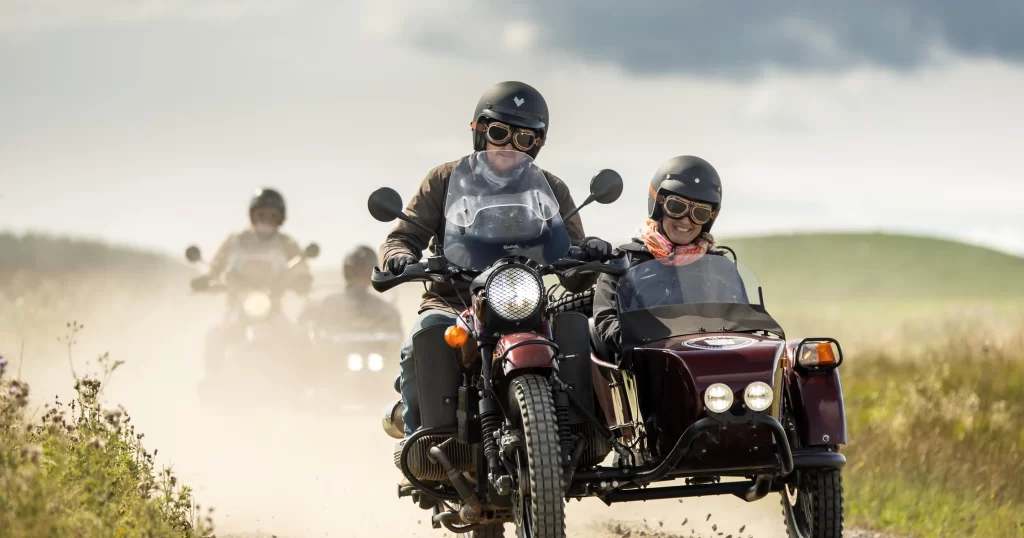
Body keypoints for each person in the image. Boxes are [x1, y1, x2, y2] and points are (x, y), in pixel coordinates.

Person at [378, 80, 613, 439]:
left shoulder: (552, 188)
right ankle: (421, 438)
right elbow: (403, 237)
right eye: (500, 132)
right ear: (479, 130)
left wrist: (590, 253)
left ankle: (584, 437)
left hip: (527, 303)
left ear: (538, 143)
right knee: (421, 341)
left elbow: (573, 260)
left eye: (523, 137)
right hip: (452, 299)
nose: (508, 145)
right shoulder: (442, 180)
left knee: (575, 331)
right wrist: (399, 256)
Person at [592, 155, 724, 357]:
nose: (686, 220)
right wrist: (640, 343)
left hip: (709, 364)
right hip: (647, 368)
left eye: (700, 213)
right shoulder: (622, 263)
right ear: (659, 204)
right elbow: (606, 321)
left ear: (709, 219)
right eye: (677, 207)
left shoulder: (718, 266)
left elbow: (740, 320)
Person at [191, 187, 314, 376]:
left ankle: (304, 388)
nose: (266, 219)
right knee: (214, 335)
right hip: (237, 307)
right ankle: (213, 384)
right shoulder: (235, 240)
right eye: (261, 214)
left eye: (272, 215)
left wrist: (302, 280)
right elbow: (216, 265)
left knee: (300, 338)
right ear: (252, 215)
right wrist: (206, 278)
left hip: (273, 309)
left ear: (280, 218)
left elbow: (300, 265)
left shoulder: (287, 243)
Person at [298, 245, 403, 347]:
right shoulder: (328, 304)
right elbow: (313, 334)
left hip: (377, 360)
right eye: (356, 270)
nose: (359, 274)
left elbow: (396, 339)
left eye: (364, 270)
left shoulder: (385, 309)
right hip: (335, 359)